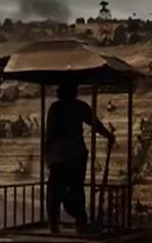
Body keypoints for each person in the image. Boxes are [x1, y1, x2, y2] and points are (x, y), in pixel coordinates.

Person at [45, 83, 116, 232]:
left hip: (59, 153)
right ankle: (80, 221)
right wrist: (108, 136)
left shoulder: (56, 108)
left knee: (56, 188)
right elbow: (96, 124)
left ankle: (55, 221)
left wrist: (48, 154)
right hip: (74, 152)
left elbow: (49, 133)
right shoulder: (79, 106)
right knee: (76, 187)